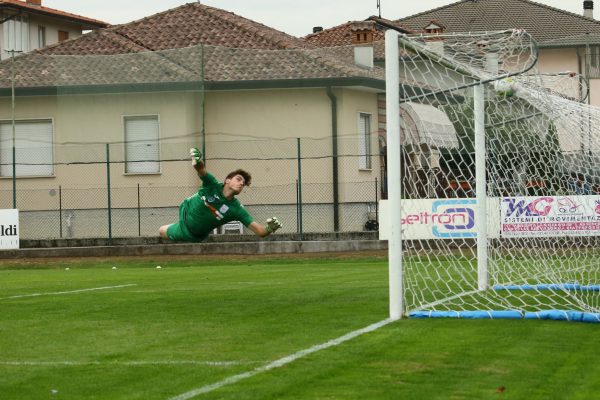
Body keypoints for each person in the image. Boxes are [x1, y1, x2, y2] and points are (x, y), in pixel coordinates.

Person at [159, 148, 282, 242]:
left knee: (161, 231)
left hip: (190, 233)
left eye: (243, 183)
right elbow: (201, 169)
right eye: (238, 179)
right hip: (186, 211)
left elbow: (260, 232)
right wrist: (197, 160)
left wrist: (269, 229)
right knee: (162, 229)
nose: (241, 183)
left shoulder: (237, 209)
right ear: (227, 180)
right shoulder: (212, 184)